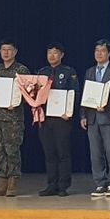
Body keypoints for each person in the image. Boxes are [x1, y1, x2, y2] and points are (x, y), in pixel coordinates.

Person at [80, 39, 110, 197]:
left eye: (103, 51)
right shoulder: (90, 71)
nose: (99, 53)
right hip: (92, 117)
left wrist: (108, 106)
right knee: (95, 152)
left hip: (108, 116)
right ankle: (100, 182)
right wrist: (83, 115)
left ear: (109, 53)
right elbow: (85, 93)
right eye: (97, 50)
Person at [0, 39, 30, 197]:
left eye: (9, 49)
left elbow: (28, 92)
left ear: (15, 51)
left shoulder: (21, 70)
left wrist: (17, 101)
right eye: (3, 49)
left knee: (12, 149)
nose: (6, 53)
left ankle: (12, 181)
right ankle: (1, 182)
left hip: (13, 117)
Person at [37, 42, 79, 197]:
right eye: (49, 52)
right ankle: (51, 184)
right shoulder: (42, 73)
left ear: (61, 55)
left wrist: (68, 112)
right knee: (49, 153)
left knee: (62, 153)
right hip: (45, 118)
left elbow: (74, 93)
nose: (52, 56)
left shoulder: (69, 72)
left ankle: (63, 186)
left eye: (55, 53)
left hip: (62, 119)